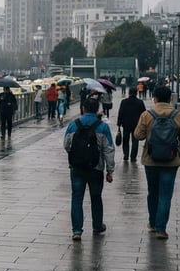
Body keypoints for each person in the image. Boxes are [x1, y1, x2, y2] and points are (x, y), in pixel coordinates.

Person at [133, 86, 180, 240]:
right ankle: (161, 229)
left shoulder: (147, 115)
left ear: (155, 98)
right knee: (165, 195)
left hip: (150, 161)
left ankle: (152, 223)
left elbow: (138, 135)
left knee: (153, 193)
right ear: (170, 98)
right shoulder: (178, 115)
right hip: (171, 162)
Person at [63, 97, 115, 241]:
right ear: (97, 109)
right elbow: (109, 150)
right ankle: (97, 226)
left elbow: (66, 145)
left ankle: (77, 231)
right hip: (96, 168)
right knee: (96, 197)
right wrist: (110, 170)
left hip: (77, 168)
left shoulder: (74, 124)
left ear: (83, 109)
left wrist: (77, 155)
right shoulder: (103, 127)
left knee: (77, 198)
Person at [116, 87, 146, 162]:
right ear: (136, 93)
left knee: (125, 140)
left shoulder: (124, 102)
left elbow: (121, 112)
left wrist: (119, 123)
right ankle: (133, 157)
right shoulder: (140, 102)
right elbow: (144, 113)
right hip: (137, 124)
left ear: (129, 93)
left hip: (126, 124)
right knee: (135, 141)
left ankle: (126, 155)